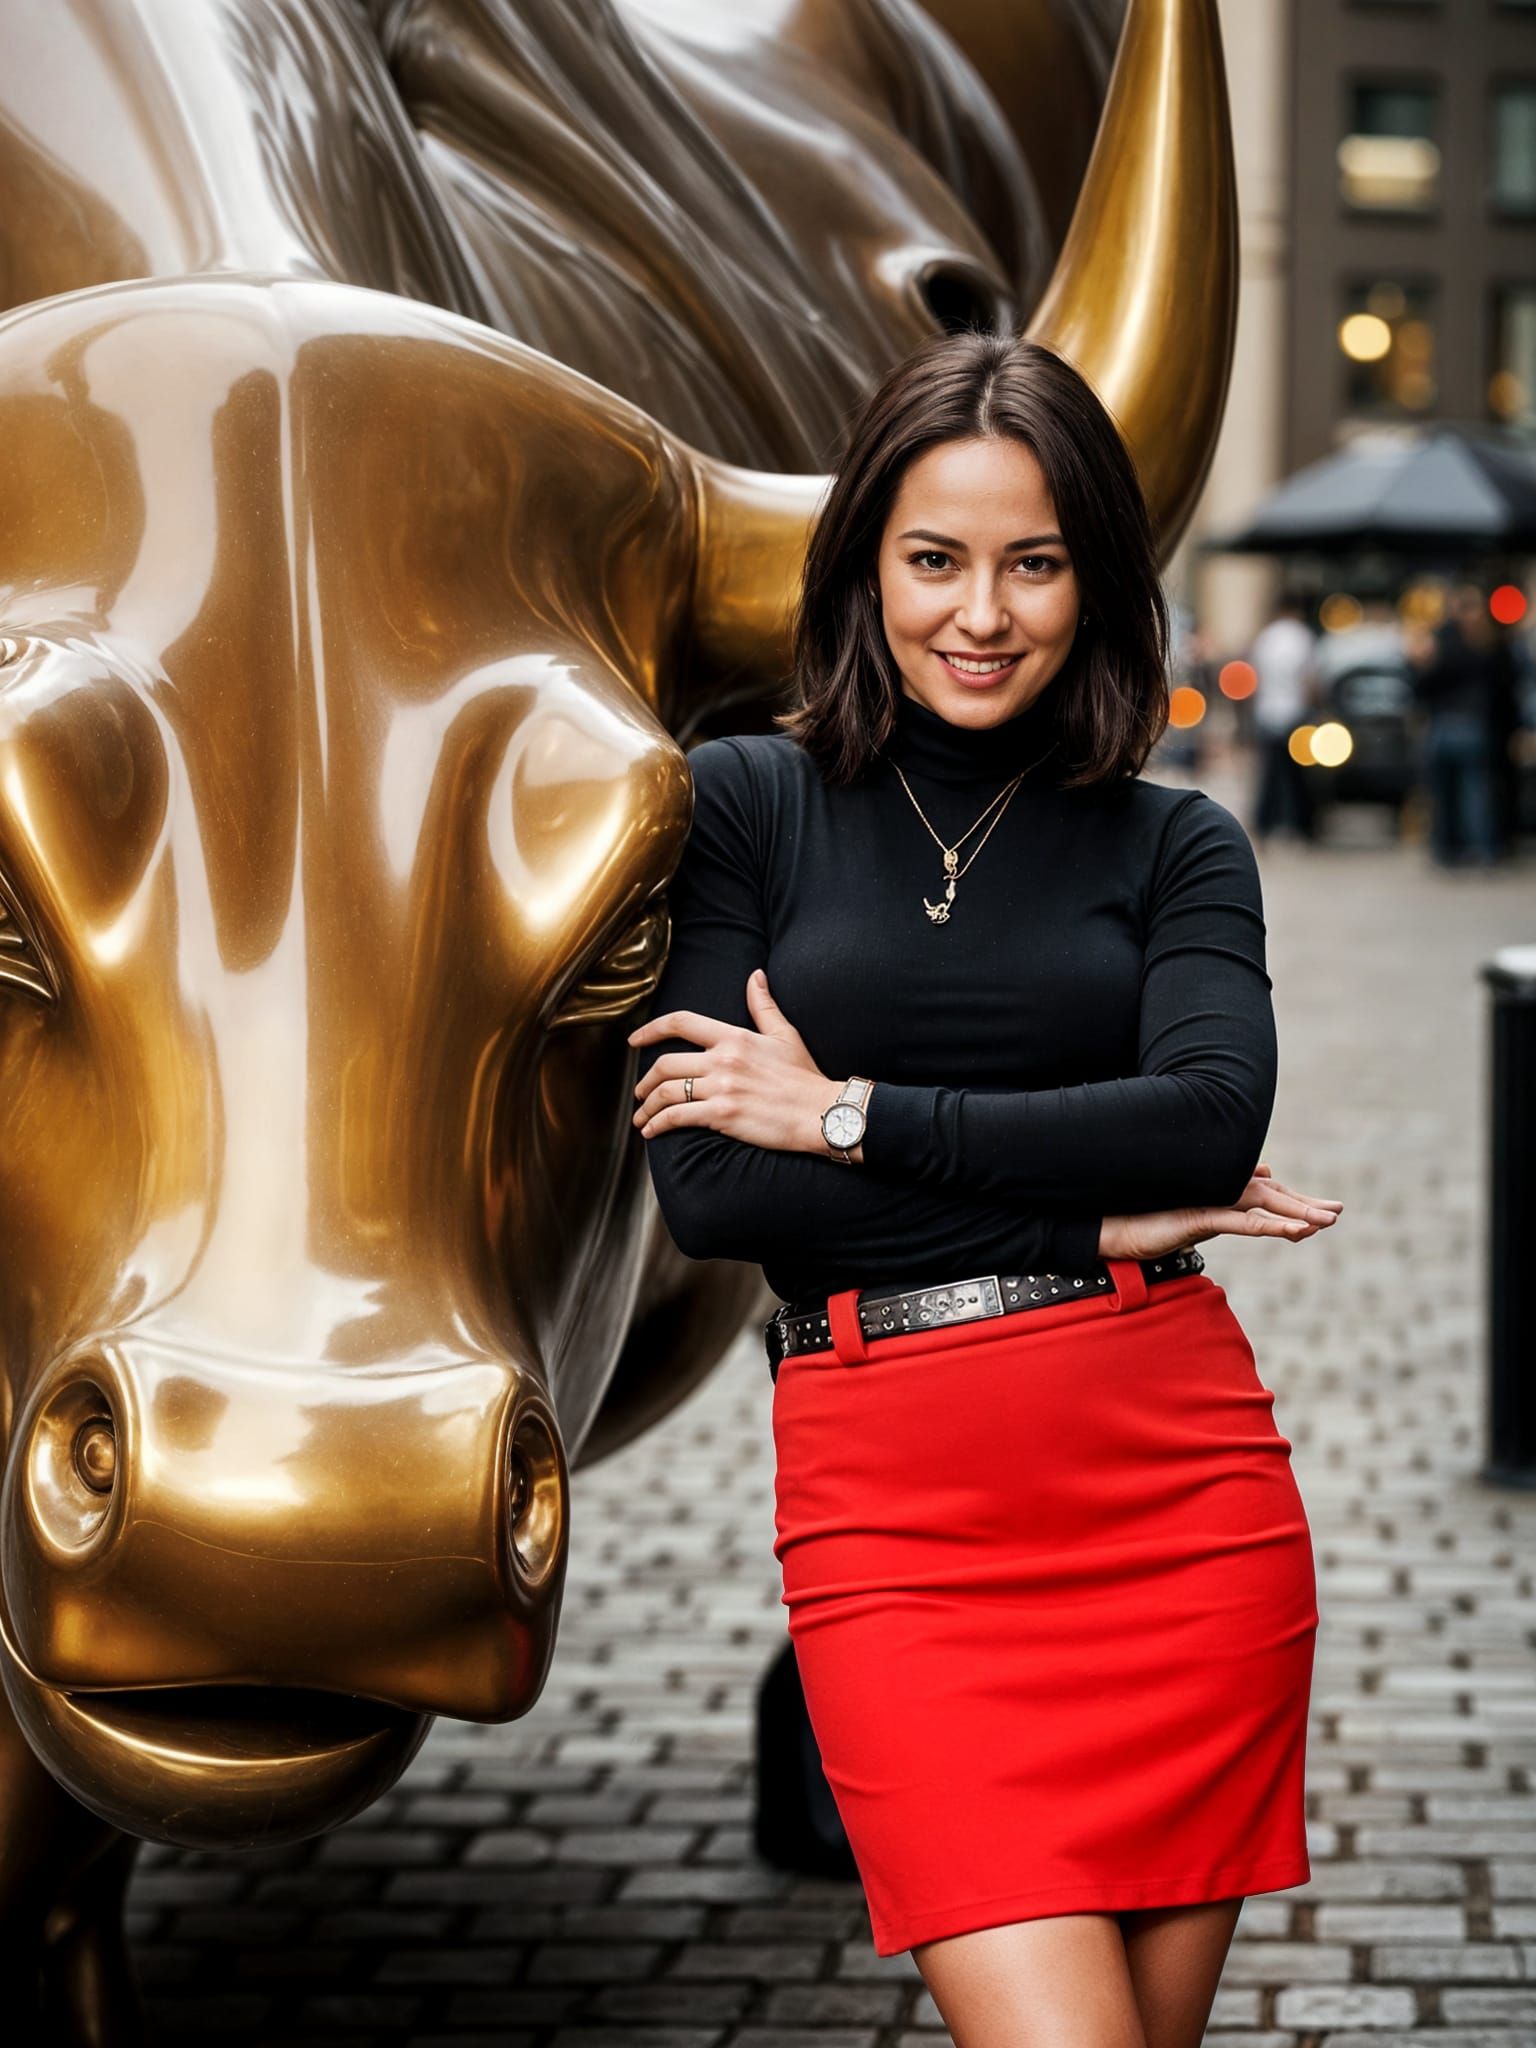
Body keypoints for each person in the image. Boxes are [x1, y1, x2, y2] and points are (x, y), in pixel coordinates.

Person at [626, 332, 1342, 2048]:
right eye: (934, 559)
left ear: (1093, 579)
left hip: (1182, 1510)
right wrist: (1078, 1215)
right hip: (895, 1533)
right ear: (865, 567)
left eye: (1034, 562)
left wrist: (850, 1118)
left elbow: (1203, 1119)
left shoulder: (1178, 842)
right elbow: (715, 1188)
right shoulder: (745, 806)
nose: (983, 612)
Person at [1406, 581, 1518, 868]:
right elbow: (1506, 690)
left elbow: (1422, 686)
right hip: (1468, 724)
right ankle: (1476, 848)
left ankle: (1455, 849)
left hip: (1454, 724)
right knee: (1470, 792)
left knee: (1460, 793)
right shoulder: (1489, 643)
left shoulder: (1447, 642)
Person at [1248, 590, 1319, 844]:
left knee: (1269, 774)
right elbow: (1309, 681)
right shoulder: (1302, 636)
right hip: (1294, 713)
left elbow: (1254, 677)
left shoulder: (1266, 637)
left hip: (1268, 711)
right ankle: (1300, 825)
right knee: (1297, 776)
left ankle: (1264, 823)